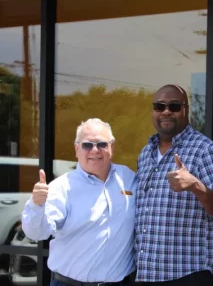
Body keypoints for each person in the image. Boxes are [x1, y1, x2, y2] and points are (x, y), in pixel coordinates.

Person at [135, 84, 213, 286]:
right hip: (147, 274)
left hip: (187, 274)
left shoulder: (204, 149)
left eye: (174, 106)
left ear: (186, 110)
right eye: (159, 106)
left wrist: (195, 185)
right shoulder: (145, 153)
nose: (166, 111)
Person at [22, 118, 136, 286]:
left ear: (112, 147)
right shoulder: (61, 187)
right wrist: (36, 205)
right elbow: (37, 233)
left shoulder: (128, 178)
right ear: (77, 149)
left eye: (102, 144)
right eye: (87, 145)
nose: (95, 150)